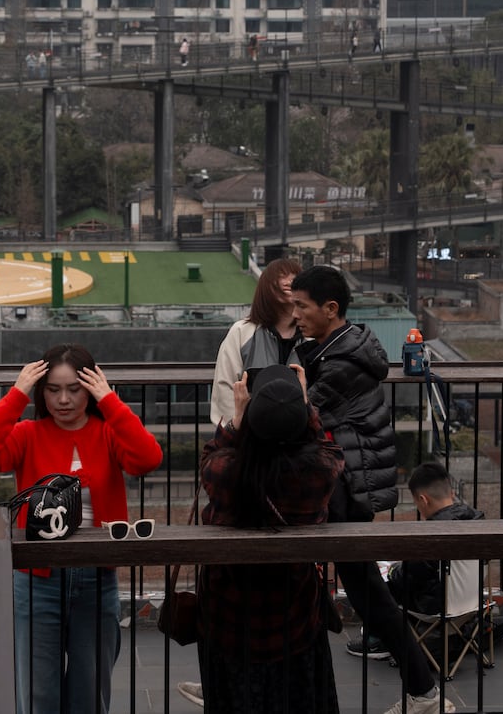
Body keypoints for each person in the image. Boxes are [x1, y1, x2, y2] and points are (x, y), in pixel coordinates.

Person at [0, 345, 164, 714]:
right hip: (36, 579)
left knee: (90, 692)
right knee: (38, 693)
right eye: (52, 389)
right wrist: (16, 394)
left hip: (96, 576)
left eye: (74, 389)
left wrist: (110, 400)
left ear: (89, 388)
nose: (63, 399)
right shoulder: (27, 434)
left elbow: (147, 458)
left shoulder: (107, 432)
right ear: (40, 392)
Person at [291, 265, 447, 714]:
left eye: (302, 306)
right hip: (345, 485)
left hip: (345, 488)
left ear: (330, 308)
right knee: (358, 593)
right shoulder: (339, 348)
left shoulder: (341, 363)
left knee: (364, 595)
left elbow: (299, 413)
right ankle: (423, 690)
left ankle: (424, 691)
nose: (295, 314)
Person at [196, 363, 345, 714]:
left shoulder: (226, 474)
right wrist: (304, 404)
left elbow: (209, 457)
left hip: (229, 617)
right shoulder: (318, 474)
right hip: (294, 615)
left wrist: (237, 419)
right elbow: (328, 449)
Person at [349, 460, 484, 662]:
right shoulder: (478, 521)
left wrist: (393, 571)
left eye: (417, 503)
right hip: (471, 603)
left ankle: (378, 641)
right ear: (452, 493)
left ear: (423, 499)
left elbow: (408, 579)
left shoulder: (432, 534)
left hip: (435, 605)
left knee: (377, 586)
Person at [210, 258, 303, 427]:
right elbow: (225, 386)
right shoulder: (242, 331)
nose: (289, 282)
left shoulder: (311, 335)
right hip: (249, 440)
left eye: (295, 276)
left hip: (302, 440)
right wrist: (236, 429)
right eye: (281, 276)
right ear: (266, 287)